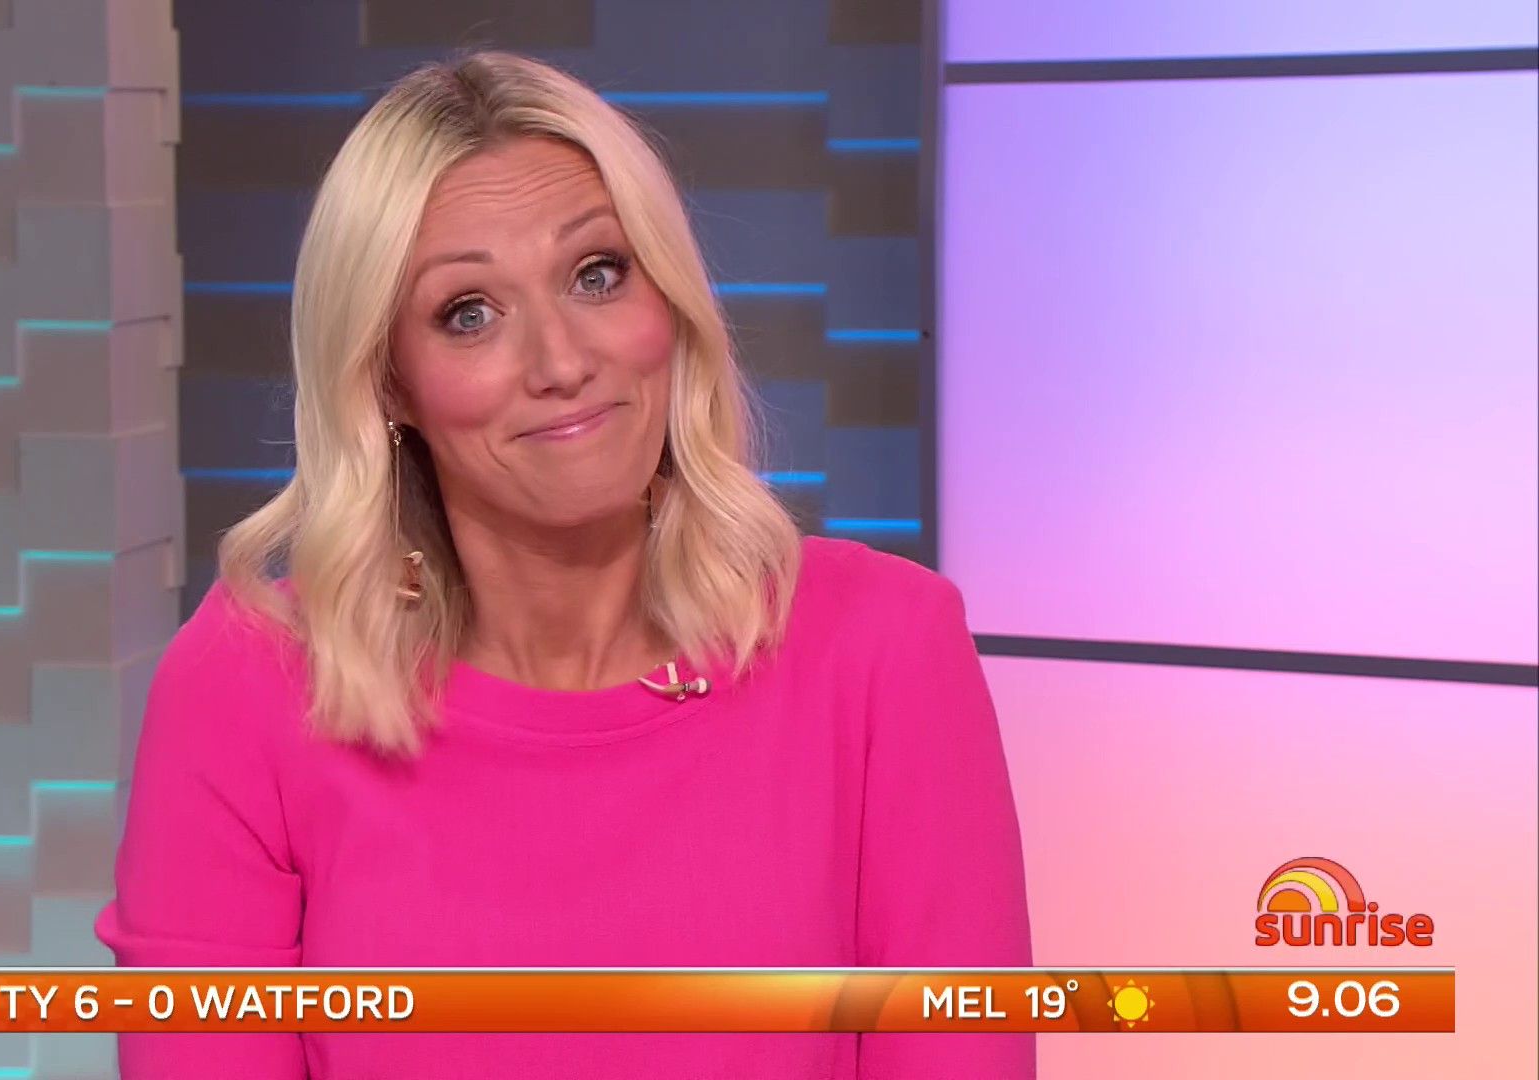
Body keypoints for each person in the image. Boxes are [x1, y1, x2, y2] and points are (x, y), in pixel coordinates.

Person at [94, 50, 1032, 1079]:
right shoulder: (246, 687)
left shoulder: (882, 650)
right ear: (389, 382)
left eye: (597, 274)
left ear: (668, 299)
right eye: (469, 312)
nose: (562, 362)